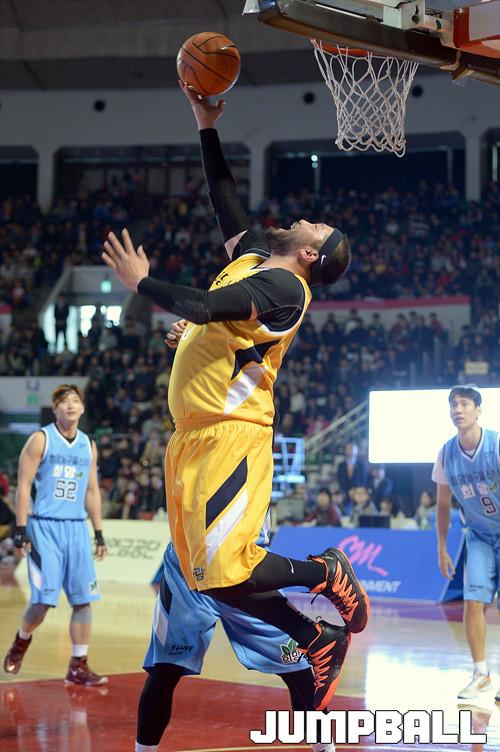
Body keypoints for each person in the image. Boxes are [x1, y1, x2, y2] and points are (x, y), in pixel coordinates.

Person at [103, 82, 369, 714]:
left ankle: (325, 575)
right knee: (208, 580)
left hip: (232, 434)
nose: (304, 218)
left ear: (311, 252)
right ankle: (315, 636)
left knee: (229, 570)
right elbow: (223, 199)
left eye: (315, 226)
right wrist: (206, 124)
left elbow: (205, 305)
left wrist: (143, 285)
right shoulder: (255, 256)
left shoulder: (285, 286)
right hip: (192, 436)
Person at [3, 384, 107, 686]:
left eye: (75, 401)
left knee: (83, 600)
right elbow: (23, 485)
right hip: (44, 527)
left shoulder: (88, 445)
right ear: (55, 409)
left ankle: (78, 665)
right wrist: (21, 527)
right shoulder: (41, 439)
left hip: (76, 527)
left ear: (82, 408)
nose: (70, 405)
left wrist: (98, 531)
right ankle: (22, 639)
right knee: (44, 601)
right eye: (63, 401)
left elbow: (92, 490)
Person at [433, 385, 499, 702]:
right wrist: (442, 547)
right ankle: (481, 674)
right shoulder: (446, 453)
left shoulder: (496, 445)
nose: (458, 409)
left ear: (478, 410)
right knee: (473, 602)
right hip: (479, 535)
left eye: (464, 404)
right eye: (453, 405)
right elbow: (442, 504)